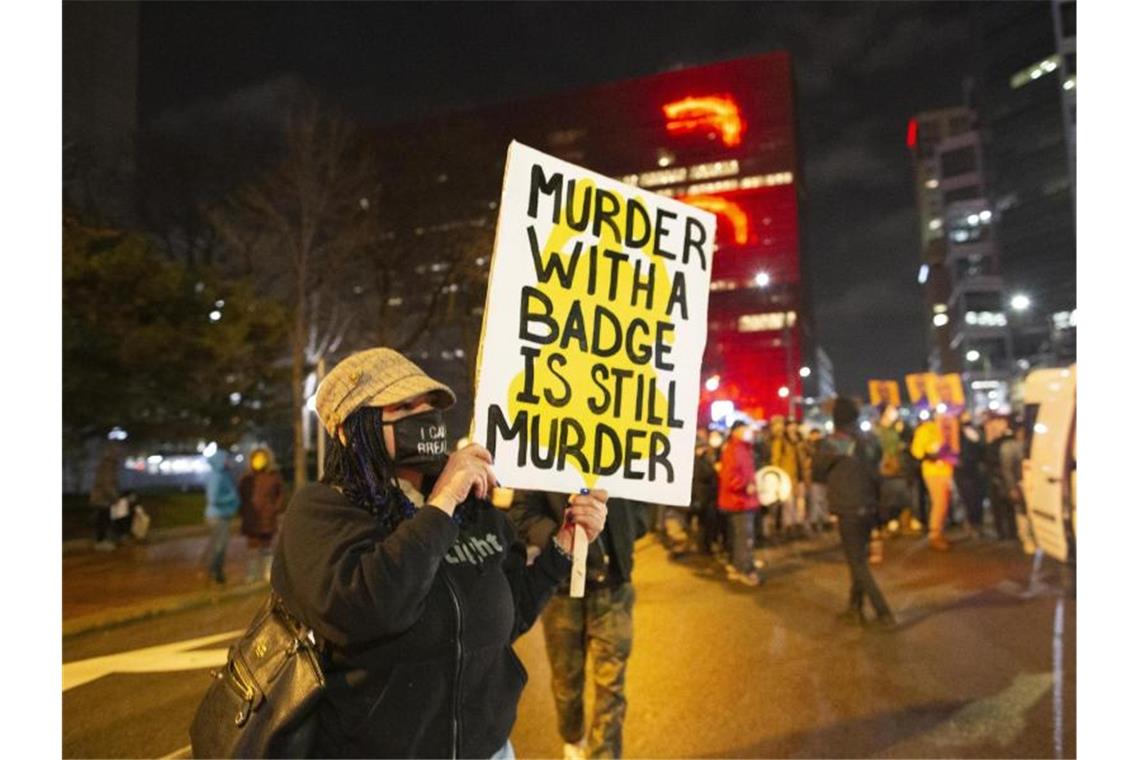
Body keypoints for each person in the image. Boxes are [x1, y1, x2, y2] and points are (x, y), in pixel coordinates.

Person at [270, 347, 609, 759]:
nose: (425, 414)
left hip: (490, 750)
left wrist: (564, 545)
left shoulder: (472, 509)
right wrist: (443, 500)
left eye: (430, 403)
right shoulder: (322, 511)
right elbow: (370, 609)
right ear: (348, 429)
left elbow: (512, 614)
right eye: (404, 405)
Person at [509, 492, 646, 760]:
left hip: (614, 587)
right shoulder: (548, 456)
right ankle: (573, 738)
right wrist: (568, 538)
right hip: (562, 589)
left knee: (612, 685)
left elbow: (644, 503)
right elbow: (522, 513)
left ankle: (604, 755)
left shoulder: (625, 457)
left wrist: (626, 533)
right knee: (566, 681)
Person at [814, 397, 896, 629]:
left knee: (857, 562)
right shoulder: (870, 439)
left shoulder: (832, 443)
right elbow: (878, 462)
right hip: (870, 505)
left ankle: (884, 612)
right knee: (858, 557)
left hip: (847, 506)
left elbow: (817, 472)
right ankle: (854, 608)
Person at [717, 420, 763, 586]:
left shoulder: (743, 449)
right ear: (736, 431)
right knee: (744, 537)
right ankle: (745, 569)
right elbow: (729, 477)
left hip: (743, 501)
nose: (749, 432)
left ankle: (739, 565)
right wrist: (745, 486)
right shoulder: (734, 450)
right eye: (745, 429)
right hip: (739, 501)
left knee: (740, 537)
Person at [910, 412, 958, 551]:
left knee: (944, 503)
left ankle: (939, 532)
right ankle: (935, 534)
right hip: (933, 472)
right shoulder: (925, 430)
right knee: (939, 502)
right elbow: (917, 451)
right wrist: (930, 456)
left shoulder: (948, 427)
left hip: (947, 470)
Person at [238, 446, 286, 584]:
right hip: (251, 519)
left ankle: (267, 574)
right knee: (252, 549)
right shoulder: (247, 478)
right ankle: (252, 575)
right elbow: (241, 496)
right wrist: (244, 511)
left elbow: (280, 494)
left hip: (267, 518)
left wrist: (274, 508)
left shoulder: (273, 476)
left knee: (267, 548)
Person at [203, 448, 241, 584]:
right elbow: (213, 498)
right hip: (218, 515)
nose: (228, 461)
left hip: (222, 515)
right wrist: (231, 498)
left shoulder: (223, 474)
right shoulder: (217, 476)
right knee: (220, 545)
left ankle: (215, 570)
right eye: (226, 459)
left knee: (219, 544)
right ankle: (215, 571)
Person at [768, 415, 809, 539]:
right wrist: (778, 475)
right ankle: (789, 525)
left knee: (801, 501)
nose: (793, 427)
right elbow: (776, 459)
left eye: (794, 425)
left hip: (801, 476)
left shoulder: (800, 440)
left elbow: (806, 456)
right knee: (788, 502)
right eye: (790, 425)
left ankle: (799, 523)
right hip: (787, 476)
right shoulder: (781, 441)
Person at [874, 405, 911, 537]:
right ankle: (884, 525)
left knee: (898, 497)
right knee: (887, 498)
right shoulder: (880, 431)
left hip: (897, 467)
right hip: (887, 468)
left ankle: (897, 523)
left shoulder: (894, 429)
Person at [985, 414, 1021, 542]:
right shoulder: (990, 441)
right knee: (999, 507)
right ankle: (1004, 532)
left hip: (1003, 477)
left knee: (1009, 507)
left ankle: (1012, 532)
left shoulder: (1007, 441)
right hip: (996, 478)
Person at [954, 411, 987, 539]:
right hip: (963, 471)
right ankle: (971, 524)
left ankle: (977, 524)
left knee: (977, 499)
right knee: (967, 499)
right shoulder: (955, 433)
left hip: (975, 470)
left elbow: (981, 445)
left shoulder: (975, 431)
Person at [690, 428, 720, 555]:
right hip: (702, 497)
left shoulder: (702, 459)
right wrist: (714, 470)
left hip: (706, 496)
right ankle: (703, 548)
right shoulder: (696, 461)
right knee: (703, 524)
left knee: (706, 523)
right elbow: (702, 474)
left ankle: (705, 546)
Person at [90, 442, 122, 551]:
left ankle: (103, 540)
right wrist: (114, 497)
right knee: (103, 519)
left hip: (103, 497)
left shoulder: (108, 465)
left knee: (103, 518)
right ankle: (101, 541)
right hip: (103, 498)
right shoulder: (108, 466)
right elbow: (107, 484)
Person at [805, 428, 831, 531]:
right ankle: (815, 521)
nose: (815, 436)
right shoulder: (807, 447)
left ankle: (824, 520)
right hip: (814, 477)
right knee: (815, 501)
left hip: (823, 476)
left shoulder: (825, 446)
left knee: (823, 501)